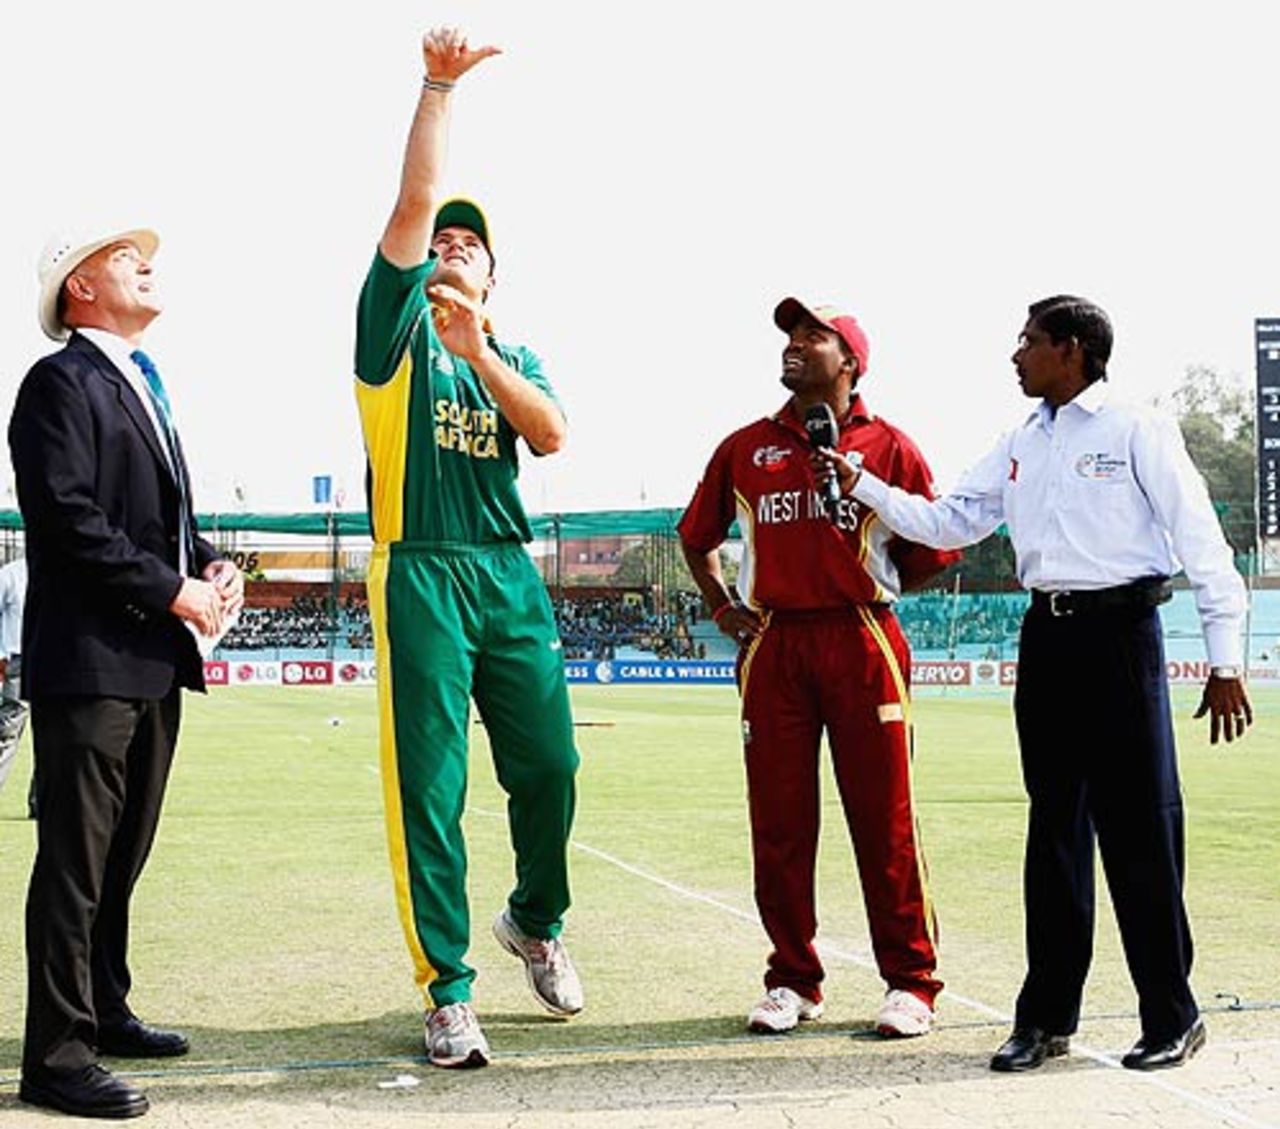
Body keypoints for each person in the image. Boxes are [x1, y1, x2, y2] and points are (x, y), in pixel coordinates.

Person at [822, 294, 1251, 1072]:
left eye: (1028, 341)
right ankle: (1047, 1018)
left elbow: (1203, 543)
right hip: (1046, 638)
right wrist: (865, 488)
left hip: (1122, 635)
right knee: (1054, 830)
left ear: (1074, 349)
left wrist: (1226, 661)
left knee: (1140, 831)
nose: (1015, 354)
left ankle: (1172, 1014)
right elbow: (953, 520)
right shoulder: (1022, 438)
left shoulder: (1135, 427)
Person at [355, 26, 582, 1069]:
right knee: (433, 785)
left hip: (506, 572)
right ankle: (446, 988)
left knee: (550, 766)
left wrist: (482, 349)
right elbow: (410, 208)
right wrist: (438, 88)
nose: (449, 246)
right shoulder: (389, 333)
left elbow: (548, 432)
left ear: (494, 272)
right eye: (441, 241)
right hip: (422, 566)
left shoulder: (509, 353)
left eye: (468, 243)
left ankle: (535, 916)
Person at [9, 226, 243, 1119]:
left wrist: (213, 566)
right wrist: (174, 588)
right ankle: (56, 1055)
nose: (146, 261)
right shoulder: (58, 382)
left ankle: (103, 1007)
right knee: (74, 862)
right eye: (121, 254)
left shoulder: (144, 382)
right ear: (79, 289)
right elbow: (68, 518)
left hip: (149, 658)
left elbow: (161, 522)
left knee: (120, 854)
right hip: (90, 660)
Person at [678, 298, 959, 1039]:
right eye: (790, 336)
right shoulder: (746, 446)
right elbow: (696, 535)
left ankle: (911, 982)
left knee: (884, 817)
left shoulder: (891, 445)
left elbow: (934, 549)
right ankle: (792, 978)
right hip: (775, 642)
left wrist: (866, 587)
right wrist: (720, 605)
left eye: (813, 336)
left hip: (863, 639)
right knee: (779, 821)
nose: (795, 345)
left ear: (851, 360)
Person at [0, 555, 32, 814]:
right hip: (18, 658)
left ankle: (42, 802)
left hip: (55, 659)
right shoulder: (10, 574)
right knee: (8, 729)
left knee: (57, 733)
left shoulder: (61, 571)